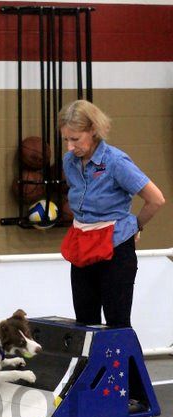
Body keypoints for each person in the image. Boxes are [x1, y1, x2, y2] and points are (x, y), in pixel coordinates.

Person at [57, 99, 165, 328]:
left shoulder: (116, 162)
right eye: (66, 139)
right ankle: (90, 365)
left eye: (75, 139)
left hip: (115, 249)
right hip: (82, 245)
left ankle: (128, 365)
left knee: (117, 322)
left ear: (93, 131)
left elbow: (156, 199)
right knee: (85, 323)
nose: (69, 147)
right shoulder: (69, 161)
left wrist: (134, 227)